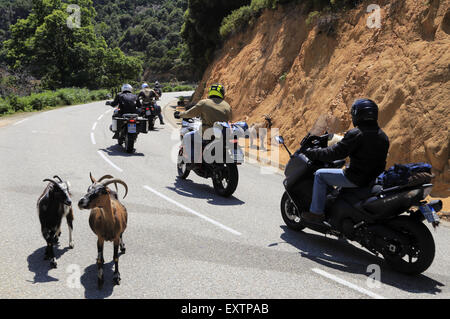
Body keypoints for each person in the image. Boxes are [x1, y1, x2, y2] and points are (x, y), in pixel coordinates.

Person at [301, 98, 390, 223]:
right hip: (373, 179)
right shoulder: (383, 136)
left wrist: (312, 152)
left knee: (320, 175)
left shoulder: (357, 133)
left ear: (358, 114)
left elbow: (334, 153)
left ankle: (316, 213)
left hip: (355, 178)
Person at [174, 84, 232, 164]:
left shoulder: (204, 103)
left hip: (207, 133)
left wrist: (179, 114)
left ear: (211, 92)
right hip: (224, 134)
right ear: (222, 93)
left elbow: (190, 113)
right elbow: (230, 118)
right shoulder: (227, 105)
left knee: (187, 136)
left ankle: (192, 161)